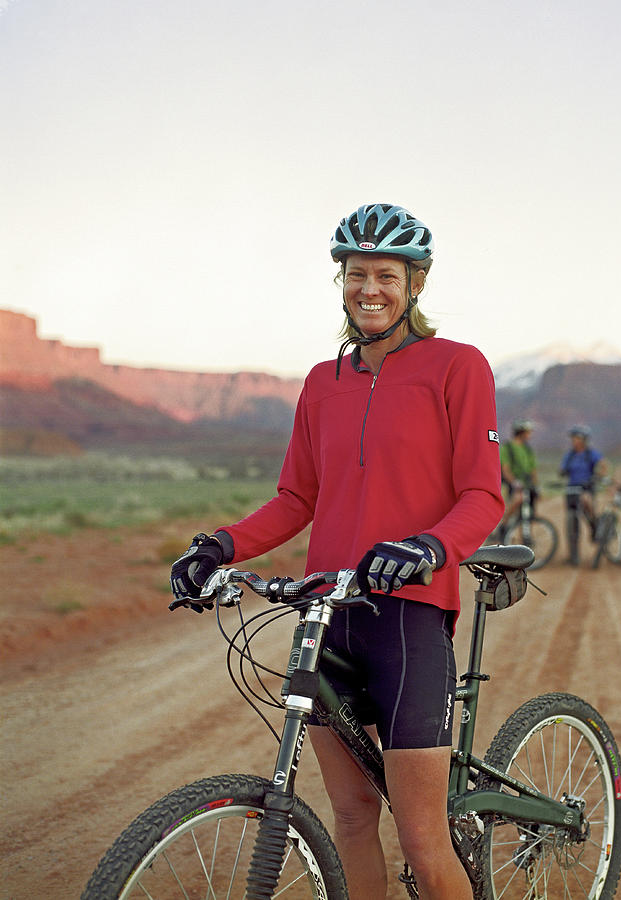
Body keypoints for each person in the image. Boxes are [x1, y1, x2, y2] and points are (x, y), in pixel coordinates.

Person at [169, 203, 504, 900]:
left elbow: (483, 495)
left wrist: (429, 546)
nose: (370, 289)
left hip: (408, 616)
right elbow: (296, 500)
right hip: (329, 616)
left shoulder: (457, 367)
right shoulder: (324, 383)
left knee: (421, 838)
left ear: (416, 284)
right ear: (341, 281)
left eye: (387, 274)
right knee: (352, 817)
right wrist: (218, 546)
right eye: (357, 274)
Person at [559, 425, 606, 565]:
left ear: (584, 440)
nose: (574, 441)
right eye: (573, 438)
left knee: (587, 502)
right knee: (572, 522)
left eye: (577, 438)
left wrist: (597, 476)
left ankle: (594, 525)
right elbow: (562, 469)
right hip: (572, 489)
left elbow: (603, 465)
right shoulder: (570, 455)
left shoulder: (590, 454)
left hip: (587, 488)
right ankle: (573, 555)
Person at [497, 418, 538, 532]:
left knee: (529, 512)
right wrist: (514, 482)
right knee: (517, 499)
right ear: (521, 432)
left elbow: (533, 470)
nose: (530, 435)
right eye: (528, 432)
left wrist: (535, 485)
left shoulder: (528, 449)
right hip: (514, 485)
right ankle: (503, 525)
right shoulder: (507, 448)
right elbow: (505, 469)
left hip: (527, 485)